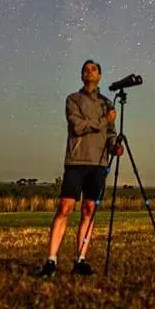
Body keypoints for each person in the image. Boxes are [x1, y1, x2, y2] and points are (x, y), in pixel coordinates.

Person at [38, 59, 122, 277]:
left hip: (98, 163)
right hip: (76, 161)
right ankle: (51, 260)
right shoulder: (73, 99)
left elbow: (110, 133)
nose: (89, 71)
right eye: (85, 69)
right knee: (65, 208)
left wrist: (115, 146)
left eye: (93, 69)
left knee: (89, 210)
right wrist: (104, 120)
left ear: (100, 76)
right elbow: (78, 126)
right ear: (81, 76)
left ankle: (81, 259)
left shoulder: (107, 104)